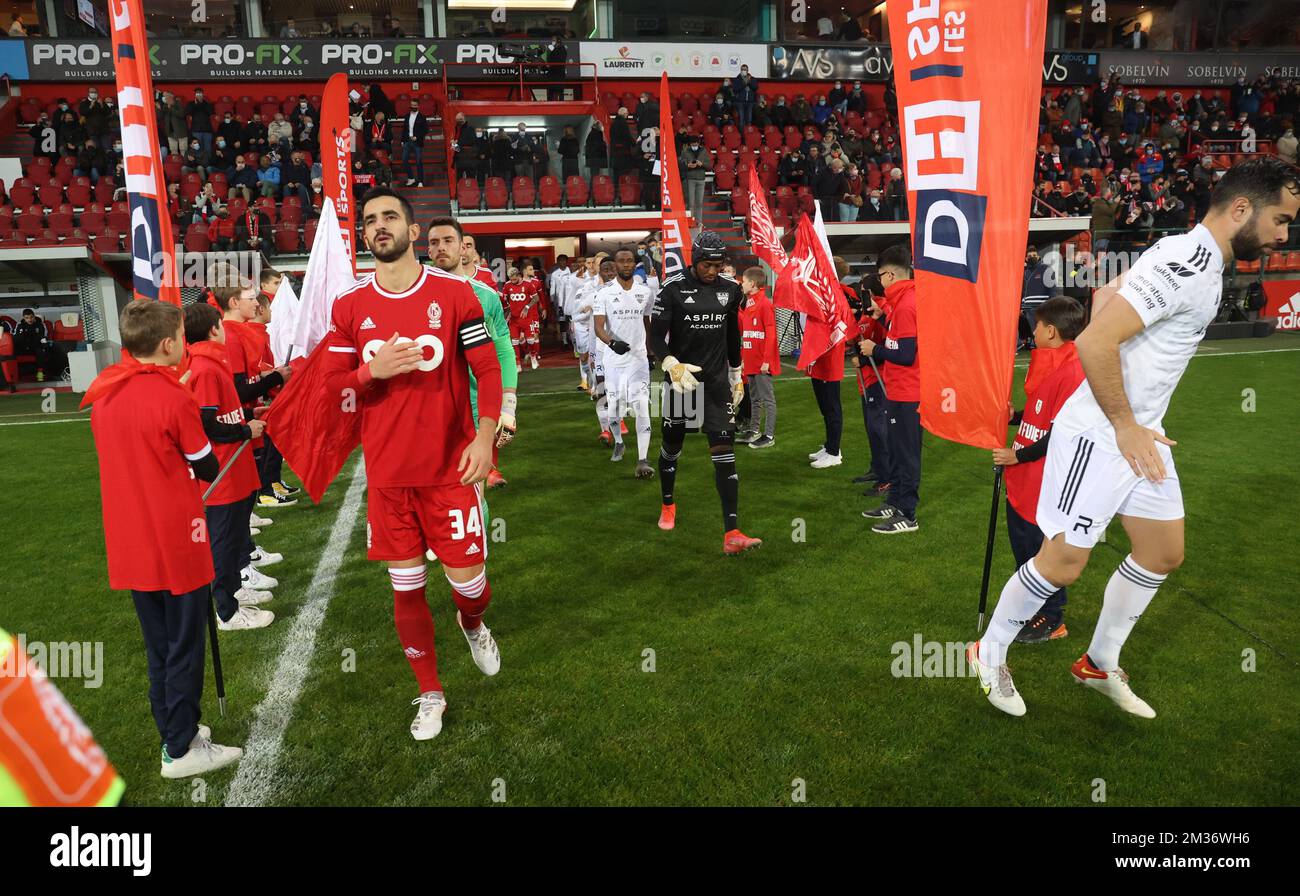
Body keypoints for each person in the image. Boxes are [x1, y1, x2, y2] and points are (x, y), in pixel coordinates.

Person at [971, 159, 1300, 718]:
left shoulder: (1192, 255)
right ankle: (989, 649)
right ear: (1242, 209)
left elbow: (1104, 301)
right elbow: (1095, 339)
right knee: (1064, 561)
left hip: (1138, 432)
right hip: (1102, 433)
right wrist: (1125, 424)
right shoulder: (1186, 261)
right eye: (1281, 219)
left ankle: (1099, 662)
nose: (1283, 235)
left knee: (1162, 551)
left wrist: (1137, 423)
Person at [320, 186, 504, 740]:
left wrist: (486, 438)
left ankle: (472, 624)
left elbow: (488, 370)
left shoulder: (455, 295)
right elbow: (330, 387)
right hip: (390, 477)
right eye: (371, 219)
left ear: (412, 231)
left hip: (451, 468)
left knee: (470, 587)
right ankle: (430, 692)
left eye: (390, 217)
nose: (380, 226)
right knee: (406, 587)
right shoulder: (350, 306)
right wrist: (368, 375)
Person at [83, 299, 243, 777]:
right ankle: (180, 746)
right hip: (174, 537)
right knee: (184, 644)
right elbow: (206, 462)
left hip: (130, 538)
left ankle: (176, 731)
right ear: (170, 343)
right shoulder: (174, 397)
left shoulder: (104, 393)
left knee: (160, 645)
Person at [649, 230, 761, 554]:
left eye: (718, 265)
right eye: (707, 265)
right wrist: (670, 363)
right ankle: (668, 502)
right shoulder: (671, 289)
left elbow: (732, 336)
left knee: (725, 454)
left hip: (715, 385)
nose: (713, 271)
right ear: (695, 260)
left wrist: (737, 374)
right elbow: (655, 338)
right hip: (682, 383)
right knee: (672, 447)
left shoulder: (730, 291)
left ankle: (732, 533)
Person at [992, 297, 1086, 644]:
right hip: (1023, 475)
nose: (1032, 331)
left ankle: (1052, 616)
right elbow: (1041, 417)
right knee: (1023, 549)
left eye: (1036, 325)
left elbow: (1063, 432)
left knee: (1040, 551)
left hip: (1042, 479)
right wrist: (1016, 417)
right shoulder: (1048, 361)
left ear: (1051, 330)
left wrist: (1018, 457)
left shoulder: (1074, 370)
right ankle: (1032, 606)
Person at [182, 302, 276, 633]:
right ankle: (227, 610)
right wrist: (243, 431)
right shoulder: (206, 368)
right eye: (220, 325)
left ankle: (236, 588)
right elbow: (205, 425)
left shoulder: (212, 362)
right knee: (222, 541)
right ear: (213, 330)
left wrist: (251, 415)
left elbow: (224, 413)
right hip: (222, 472)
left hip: (233, 469)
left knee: (236, 536)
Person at [431, 217, 518, 492]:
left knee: (473, 491)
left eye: (449, 241)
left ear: (463, 249)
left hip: (474, 401)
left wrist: (508, 405)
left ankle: (478, 534)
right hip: (430, 405)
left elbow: (503, 349)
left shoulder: (486, 296)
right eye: (434, 243)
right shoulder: (417, 294)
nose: (442, 248)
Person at [860, 244, 921, 534]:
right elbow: (901, 341)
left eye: (880, 277)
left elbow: (907, 354)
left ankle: (907, 514)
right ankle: (896, 501)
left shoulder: (907, 304)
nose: (880, 283)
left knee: (907, 455)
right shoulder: (901, 302)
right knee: (897, 452)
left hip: (909, 392)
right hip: (898, 390)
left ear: (889, 275)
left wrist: (876, 349)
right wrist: (882, 319)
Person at [593, 248, 655, 478]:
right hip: (614, 359)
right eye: (622, 261)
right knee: (615, 408)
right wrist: (611, 343)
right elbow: (598, 326)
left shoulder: (644, 291)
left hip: (638, 359)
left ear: (634, 264)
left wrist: (650, 351)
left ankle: (642, 460)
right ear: (616, 265)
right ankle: (619, 440)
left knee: (641, 406)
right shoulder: (604, 293)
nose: (626, 264)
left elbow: (647, 321)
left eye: (630, 261)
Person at [734, 267, 779, 449]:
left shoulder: (764, 303)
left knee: (767, 398)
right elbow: (748, 332)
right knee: (754, 398)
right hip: (752, 358)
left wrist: (767, 360)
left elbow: (771, 333)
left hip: (762, 360)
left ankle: (769, 435)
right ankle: (754, 431)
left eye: (744, 281)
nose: (742, 284)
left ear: (752, 283)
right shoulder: (751, 302)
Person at [679, 136, 711, 226]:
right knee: (691, 202)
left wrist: (702, 164)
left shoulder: (703, 151)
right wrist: (687, 165)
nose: (694, 145)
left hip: (701, 179)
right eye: (693, 144)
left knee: (699, 203)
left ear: (698, 143)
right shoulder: (685, 151)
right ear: (690, 144)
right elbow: (681, 164)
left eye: (696, 144)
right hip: (690, 178)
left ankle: (699, 222)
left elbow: (709, 166)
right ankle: (690, 221)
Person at [402, 100, 429, 187]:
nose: (413, 106)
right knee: (404, 160)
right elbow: (404, 129)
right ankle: (411, 178)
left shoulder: (422, 117)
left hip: (417, 142)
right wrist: (402, 140)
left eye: (415, 105)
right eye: (412, 105)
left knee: (418, 162)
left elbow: (425, 130)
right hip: (407, 141)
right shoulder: (407, 116)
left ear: (418, 106)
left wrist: (417, 136)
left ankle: (420, 181)